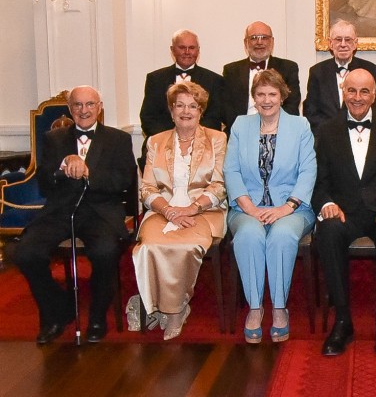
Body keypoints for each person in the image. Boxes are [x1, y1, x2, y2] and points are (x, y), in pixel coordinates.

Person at [14, 86, 136, 344]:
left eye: (90, 104)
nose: (84, 110)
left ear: (100, 107)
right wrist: (62, 165)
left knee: (104, 252)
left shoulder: (118, 139)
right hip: (60, 210)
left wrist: (88, 172)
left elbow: (123, 181)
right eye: (78, 105)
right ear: (70, 109)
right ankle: (57, 312)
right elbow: (45, 186)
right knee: (25, 253)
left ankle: (96, 318)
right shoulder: (53, 139)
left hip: (100, 211)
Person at [313, 69, 376, 356]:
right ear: (343, 92)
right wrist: (326, 204)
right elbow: (318, 182)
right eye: (352, 91)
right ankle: (343, 320)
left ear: (375, 95)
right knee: (329, 230)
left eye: (364, 91)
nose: (357, 98)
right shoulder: (326, 130)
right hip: (344, 212)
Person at [223, 69, 316, 343]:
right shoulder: (240, 125)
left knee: (282, 236)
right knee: (249, 235)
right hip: (246, 207)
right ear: (254, 97)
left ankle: (278, 307)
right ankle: (255, 307)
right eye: (260, 94)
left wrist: (285, 208)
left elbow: (308, 171)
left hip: (292, 208)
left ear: (282, 96)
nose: (266, 100)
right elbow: (231, 171)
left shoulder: (300, 126)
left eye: (272, 94)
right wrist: (250, 208)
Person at [134, 82, 227, 340]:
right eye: (180, 105)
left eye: (192, 106)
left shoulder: (217, 139)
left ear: (200, 111)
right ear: (171, 110)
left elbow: (220, 185)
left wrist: (192, 208)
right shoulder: (155, 141)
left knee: (186, 247)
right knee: (149, 246)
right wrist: (169, 211)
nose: (186, 111)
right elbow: (147, 188)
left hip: (205, 210)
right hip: (162, 211)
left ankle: (175, 310)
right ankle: (154, 303)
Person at [303, 20, 376, 132]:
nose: (343, 44)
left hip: (363, 133)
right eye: (338, 39)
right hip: (327, 137)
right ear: (330, 43)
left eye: (348, 40)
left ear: (355, 43)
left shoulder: (371, 70)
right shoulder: (317, 71)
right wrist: (331, 130)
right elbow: (311, 111)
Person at [139, 29, 225, 137]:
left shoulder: (215, 80)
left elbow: (214, 119)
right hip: (162, 142)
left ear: (198, 50)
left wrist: (192, 139)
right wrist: (169, 139)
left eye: (192, 48)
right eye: (182, 47)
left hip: (201, 143)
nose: (187, 52)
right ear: (172, 49)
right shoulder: (155, 79)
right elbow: (148, 118)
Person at [222, 21, 301, 131]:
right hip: (241, 130)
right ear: (246, 43)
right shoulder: (231, 70)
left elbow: (292, 105)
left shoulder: (288, 68)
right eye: (254, 38)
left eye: (264, 37)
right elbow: (227, 108)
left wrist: (272, 128)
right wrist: (243, 128)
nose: (259, 42)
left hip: (278, 130)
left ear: (272, 41)